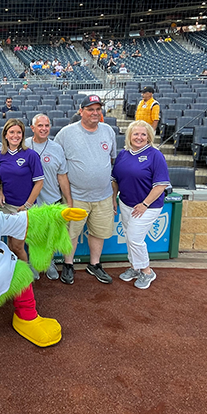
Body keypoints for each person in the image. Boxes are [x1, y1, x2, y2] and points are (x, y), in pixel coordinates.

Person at [54, 95, 117, 286]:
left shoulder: (108, 131)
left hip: (103, 195)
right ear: (80, 111)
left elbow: (111, 160)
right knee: (71, 233)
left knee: (98, 232)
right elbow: (57, 160)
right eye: (90, 109)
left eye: (98, 109)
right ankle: (68, 264)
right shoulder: (66, 133)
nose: (95, 113)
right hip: (76, 196)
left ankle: (94, 264)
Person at [111, 120, 170, 290]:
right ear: (129, 136)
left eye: (143, 134)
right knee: (130, 238)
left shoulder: (155, 155)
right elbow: (115, 179)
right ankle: (135, 267)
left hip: (147, 206)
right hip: (126, 203)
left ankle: (147, 271)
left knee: (135, 239)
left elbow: (161, 185)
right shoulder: (123, 154)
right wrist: (114, 198)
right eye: (136, 134)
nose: (139, 137)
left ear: (149, 137)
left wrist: (144, 204)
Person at [0, 119, 44, 279]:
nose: (15, 135)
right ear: (5, 135)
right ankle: (14, 273)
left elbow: (39, 182)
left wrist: (27, 204)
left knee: (17, 246)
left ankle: (26, 276)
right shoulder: (0, 155)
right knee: (9, 244)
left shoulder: (31, 155)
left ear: (23, 135)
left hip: (22, 208)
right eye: (11, 132)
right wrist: (0, 190)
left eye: (18, 132)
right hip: (5, 207)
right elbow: (1, 179)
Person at [26, 114, 73, 279]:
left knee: (50, 236)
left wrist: (68, 200)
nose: (44, 129)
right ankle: (33, 264)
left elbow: (62, 177)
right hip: (30, 201)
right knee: (33, 236)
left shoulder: (56, 148)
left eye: (46, 125)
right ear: (33, 128)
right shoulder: (24, 145)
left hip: (52, 200)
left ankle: (49, 263)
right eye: (40, 126)